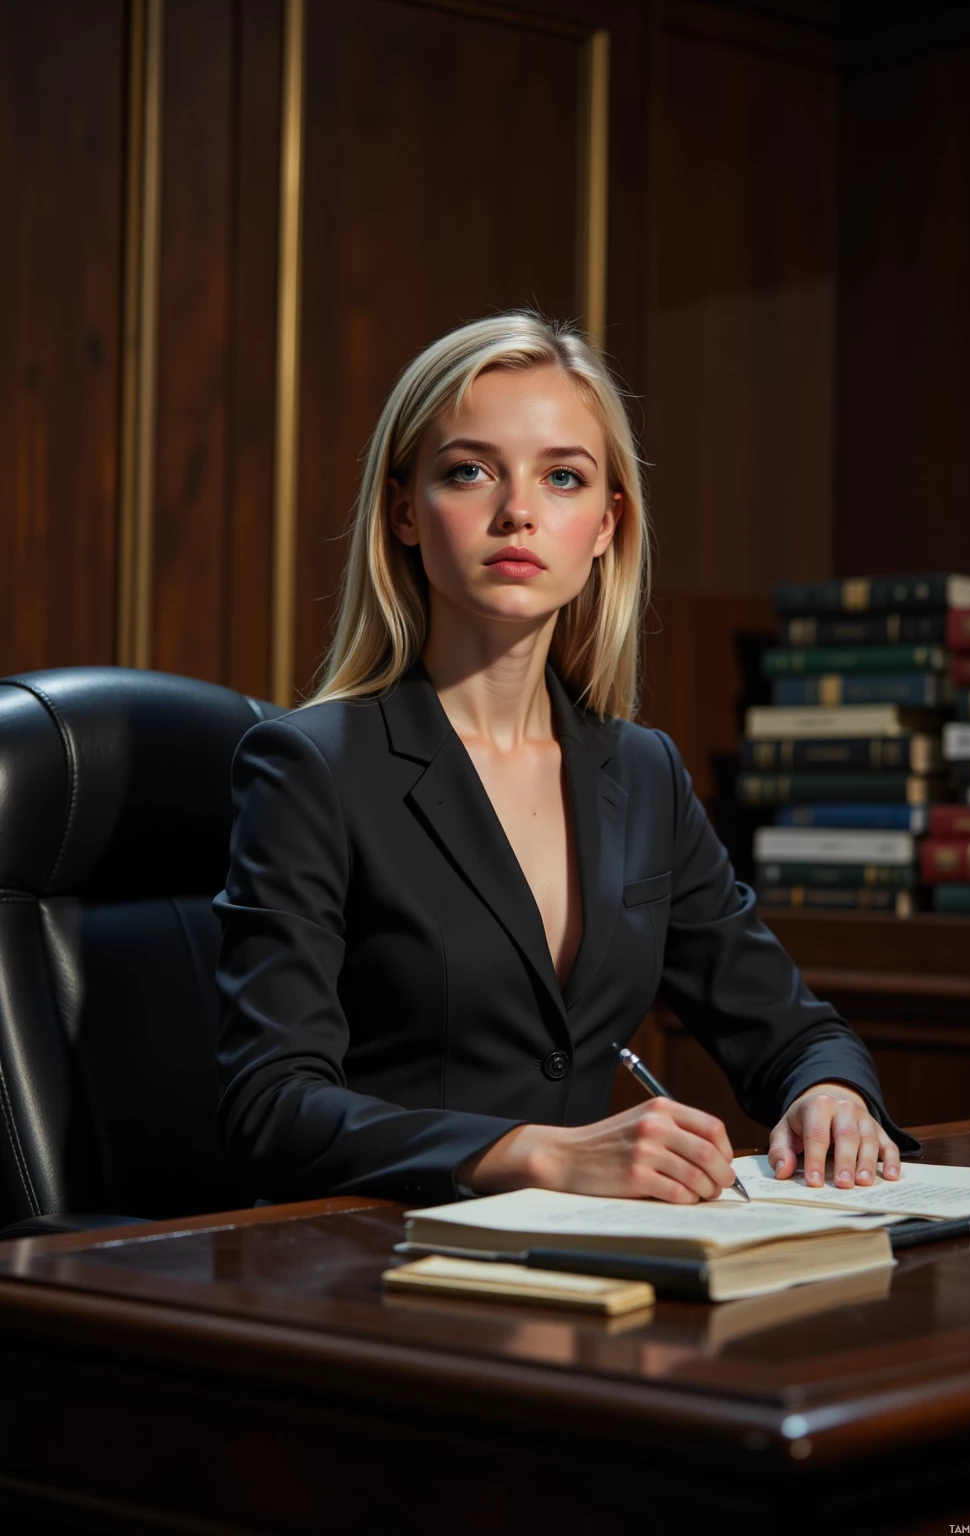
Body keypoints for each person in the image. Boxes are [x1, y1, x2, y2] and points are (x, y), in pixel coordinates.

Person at [214, 310, 919, 1209]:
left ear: (603, 525)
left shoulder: (644, 774)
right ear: (403, 511)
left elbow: (791, 1030)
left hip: (591, 1273)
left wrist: (832, 1093)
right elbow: (270, 1109)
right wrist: (534, 1154)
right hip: (378, 1264)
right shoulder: (310, 767)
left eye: (562, 478)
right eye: (469, 471)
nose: (517, 511)